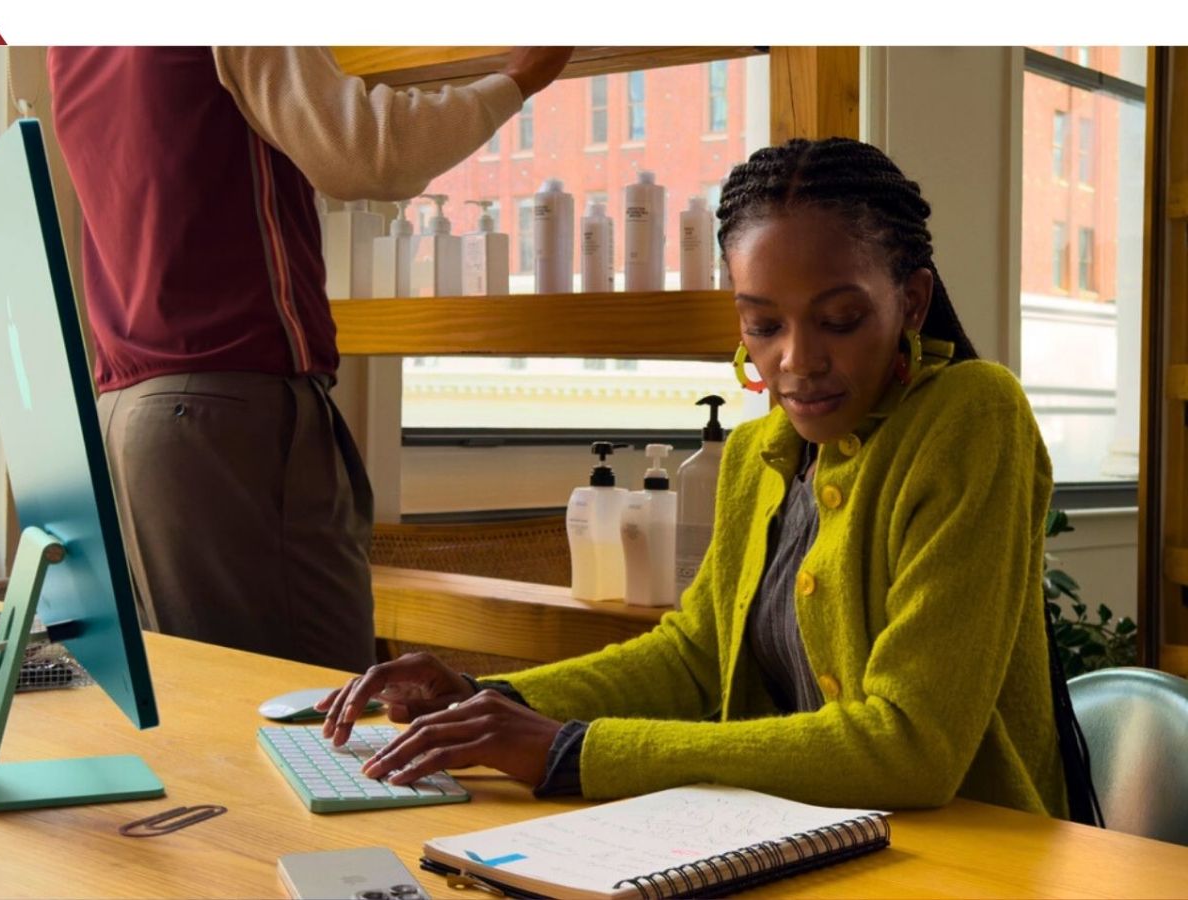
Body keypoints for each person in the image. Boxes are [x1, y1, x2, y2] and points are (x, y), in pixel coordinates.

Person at [319, 137, 1067, 817]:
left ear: (911, 301)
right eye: (763, 325)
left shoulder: (972, 415)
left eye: (839, 319)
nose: (796, 361)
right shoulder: (753, 457)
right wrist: (490, 702)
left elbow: (910, 749)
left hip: (975, 853)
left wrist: (572, 752)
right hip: (795, 838)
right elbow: (696, 655)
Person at [45, 46, 573, 672]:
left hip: (126, 410)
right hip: (227, 410)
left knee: (212, 706)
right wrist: (520, 75)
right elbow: (371, 154)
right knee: (322, 713)